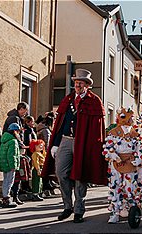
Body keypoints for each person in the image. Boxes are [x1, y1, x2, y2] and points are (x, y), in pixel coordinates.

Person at [42, 68, 107, 223]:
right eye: (76, 83)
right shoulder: (68, 99)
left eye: (81, 83)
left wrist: (93, 147)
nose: (78, 85)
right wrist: (55, 144)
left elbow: (97, 129)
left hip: (83, 142)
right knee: (61, 172)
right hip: (65, 140)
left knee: (80, 176)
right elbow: (60, 123)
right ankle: (67, 206)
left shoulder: (94, 101)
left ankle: (79, 210)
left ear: (87, 85)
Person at [103, 107, 142, 224]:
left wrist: (137, 159)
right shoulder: (113, 132)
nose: (131, 119)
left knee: (130, 187)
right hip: (116, 164)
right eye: (129, 117)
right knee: (115, 188)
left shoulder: (135, 133)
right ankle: (115, 213)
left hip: (130, 163)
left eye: (132, 117)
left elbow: (140, 147)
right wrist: (114, 156)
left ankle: (133, 211)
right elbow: (107, 147)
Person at [0, 123, 22, 208]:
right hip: (10, 165)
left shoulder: (4, 140)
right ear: (15, 131)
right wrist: (13, 166)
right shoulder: (13, 141)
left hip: (4, 164)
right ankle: (6, 199)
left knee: (5, 181)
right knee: (9, 182)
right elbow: (12, 155)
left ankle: (5, 197)